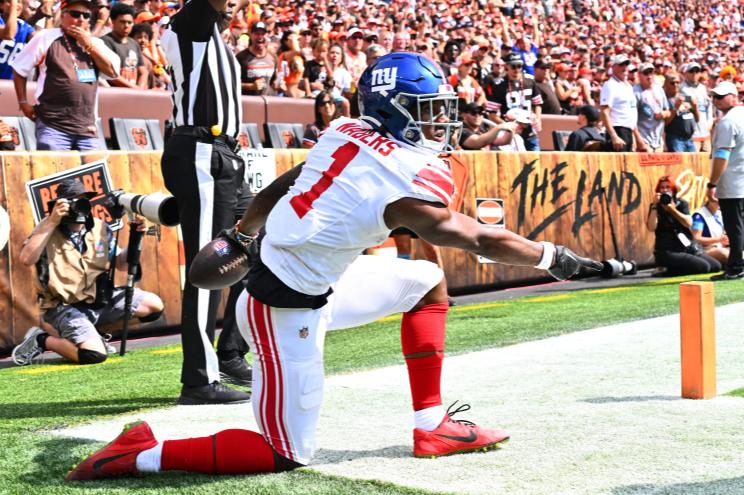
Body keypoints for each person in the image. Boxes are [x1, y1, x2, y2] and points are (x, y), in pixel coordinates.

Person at [65, 52, 602, 482]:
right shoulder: (403, 183)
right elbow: (474, 235)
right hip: (281, 313)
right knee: (284, 452)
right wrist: (555, 258)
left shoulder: (344, 130)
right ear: (394, 110)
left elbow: (283, 184)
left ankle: (431, 424)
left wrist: (244, 232)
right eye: (426, 108)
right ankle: (142, 453)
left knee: (427, 283)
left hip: (319, 283)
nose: (439, 119)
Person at [158, 0, 251, 404]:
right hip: (202, 152)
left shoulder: (215, 39)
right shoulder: (190, 24)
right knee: (207, 263)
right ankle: (198, 379)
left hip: (224, 155)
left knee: (258, 248)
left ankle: (230, 351)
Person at [11, 179, 164, 367]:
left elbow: (121, 264)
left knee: (154, 307)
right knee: (93, 355)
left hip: (98, 300)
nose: (78, 207)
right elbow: (26, 259)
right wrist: (52, 220)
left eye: (83, 201)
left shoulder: (100, 227)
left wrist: (136, 237)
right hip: (63, 306)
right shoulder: (46, 228)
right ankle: (42, 340)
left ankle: (94, 335)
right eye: (72, 202)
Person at [11, 0, 119, 151]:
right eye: (75, 14)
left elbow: (112, 72)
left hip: (87, 128)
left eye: (86, 15)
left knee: (92, 173)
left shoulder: (96, 44)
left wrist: (88, 44)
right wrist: (23, 102)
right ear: (63, 16)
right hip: (53, 126)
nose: (81, 19)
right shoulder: (46, 37)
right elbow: (19, 69)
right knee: (57, 172)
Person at [645, 175, 721, 276]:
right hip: (667, 251)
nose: (664, 190)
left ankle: (671, 268)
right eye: (662, 188)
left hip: (687, 248)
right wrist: (654, 206)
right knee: (704, 267)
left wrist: (672, 209)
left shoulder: (681, 204)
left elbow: (688, 222)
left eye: (668, 187)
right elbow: (651, 227)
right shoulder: (655, 206)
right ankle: (665, 270)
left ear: (673, 190)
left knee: (716, 266)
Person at [707, 81, 744, 280]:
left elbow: (722, 156)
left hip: (732, 182)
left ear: (734, 96)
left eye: (720, 96)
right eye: (714, 97)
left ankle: (736, 267)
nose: (716, 100)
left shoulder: (728, 122)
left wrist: (712, 183)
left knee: (734, 226)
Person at [487, 52, 543, 151]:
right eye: (513, 66)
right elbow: (492, 114)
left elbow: (537, 103)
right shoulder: (499, 85)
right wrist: (509, 126)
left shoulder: (530, 81)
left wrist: (537, 119)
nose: (516, 69)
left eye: (519, 66)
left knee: (535, 162)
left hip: (530, 131)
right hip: (510, 134)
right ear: (506, 66)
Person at [101, 3, 147, 89]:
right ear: (113, 21)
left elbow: (143, 71)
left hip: (134, 94)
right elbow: (110, 73)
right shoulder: (105, 42)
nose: (126, 26)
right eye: (122, 22)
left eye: (129, 22)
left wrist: (140, 90)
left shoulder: (134, 43)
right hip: (114, 95)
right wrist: (135, 89)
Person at [599, 54, 637, 152]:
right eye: (621, 65)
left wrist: (633, 136)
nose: (624, 68)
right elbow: (604, 112)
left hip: (628, 131)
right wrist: (614, 136)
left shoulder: (628, 86)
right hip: (618, 130)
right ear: (613, 67)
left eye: (626, 64)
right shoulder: (610, 85)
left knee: (627, 166)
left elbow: (630, 112)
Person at [633, 62, 668, 153]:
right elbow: (631, 120)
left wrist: (664, 114)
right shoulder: (635, 92)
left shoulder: (659, 89)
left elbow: (667, 111)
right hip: (644, 139)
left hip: (658, 140)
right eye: (645, 73)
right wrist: (639, 141)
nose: (649, 76)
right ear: (639, 75)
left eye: (651, 72)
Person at [236, 20, 277, 96]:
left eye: (263, 34)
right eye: (257, 34)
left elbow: (274, 81)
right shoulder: (241, 57)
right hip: (249, 103)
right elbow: (232, 83)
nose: (260, 37)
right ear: (251, 35)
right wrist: (251, 86)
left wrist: (278, 84)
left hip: (269, 102)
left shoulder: (273, 56)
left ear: (267, 35)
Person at [662, 72, 699, 153]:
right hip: (675, 140)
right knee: (679, 165)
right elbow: (665, 123)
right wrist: (676, 108)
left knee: (692, 165)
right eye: (672, 83)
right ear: (666, 84)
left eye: (678, 82)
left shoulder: (684, 97)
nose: (675, 85)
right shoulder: (664, 99)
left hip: (689, 139)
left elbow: (697, 119)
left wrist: (695, 107)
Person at [0, 0, 35, 80]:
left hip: (10, 84)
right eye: (11, 1)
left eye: (19, 2)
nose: (17, 5)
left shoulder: (24, 26)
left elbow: (41, 41)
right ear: (1, 5)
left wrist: (48, 15)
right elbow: (9, 34)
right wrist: (14, 8)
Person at [691, 197, 729, 265]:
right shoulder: (699, 216)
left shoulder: (719, 213)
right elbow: (696, 238)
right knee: (725, 254)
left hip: (719, 246)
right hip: (704, 250)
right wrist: (719, 240)